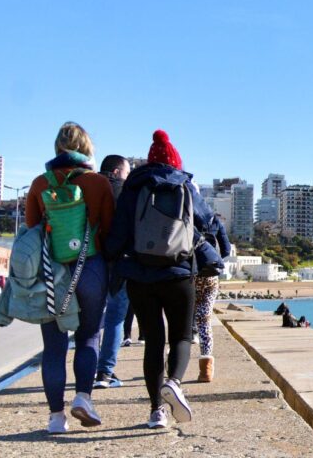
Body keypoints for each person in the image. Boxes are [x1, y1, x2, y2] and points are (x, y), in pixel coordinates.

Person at [105, 130, 216, 429]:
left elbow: (119, 232)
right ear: (175, 161)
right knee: (181, 335)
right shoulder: (185, 185)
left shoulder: (134, 185)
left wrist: (112, 260)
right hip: (179, 273)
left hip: (140, 275)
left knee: (153, 340)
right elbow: (209, 222)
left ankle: (157, 412)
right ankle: (175, 382)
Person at [25, 122, 114, 434]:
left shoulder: (38, 185)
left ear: (57, 148)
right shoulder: (99, 183)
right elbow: (110, 229)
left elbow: (32, 233)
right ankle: (83, 398)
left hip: (52, 273)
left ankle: (55, 418)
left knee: (53, 348)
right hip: (90, 268)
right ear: (87, 148)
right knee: (89, 337)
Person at [94, 154, 131, 389]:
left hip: (90, 261)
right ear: (117, 172)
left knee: (92, 318)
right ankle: (105, 373)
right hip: (119, 262)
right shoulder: (125, 192)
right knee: (116, 316)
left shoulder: (88, 186)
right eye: (126, 172)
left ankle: (87, 367)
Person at [192, 215, 231, 382]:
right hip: (210, 277)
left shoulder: (183, 215)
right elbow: (227, 249)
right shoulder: (215, 221)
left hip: (189, 276)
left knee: (181, 320)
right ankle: (206, 369)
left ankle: (172, 364)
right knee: (205, 319)